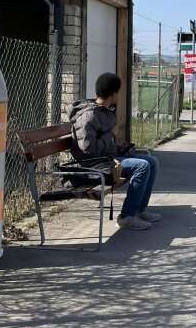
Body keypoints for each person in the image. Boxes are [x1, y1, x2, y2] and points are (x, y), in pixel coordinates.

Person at [69, 73, 161, 231]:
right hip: (94, 164)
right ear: (112, 94)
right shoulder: (89, 116)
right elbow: (88, 150)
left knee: (152, 162)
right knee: (142, 166)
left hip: (108, 158)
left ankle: (139, 210)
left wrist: (122, 148)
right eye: (118, 92)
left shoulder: (104, 111)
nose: (119, 95)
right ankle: (127, 216)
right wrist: (110, 135)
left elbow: (106, 142)